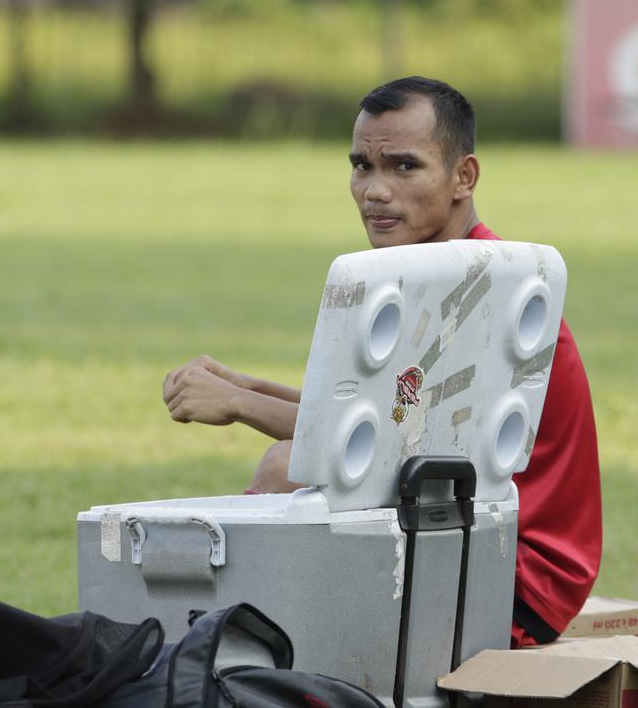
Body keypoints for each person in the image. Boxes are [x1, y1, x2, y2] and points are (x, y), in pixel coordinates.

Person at [160, 77, 601, 648]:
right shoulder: (439, 273)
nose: (375, 190)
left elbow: (391, 442)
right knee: (297, 473)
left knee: (285, 469)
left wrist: (239, 404)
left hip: (517, 583)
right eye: (362, 166)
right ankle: (229, 654)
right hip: (465, 531)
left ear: (463, 177)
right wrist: (247, 384)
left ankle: (223, 655)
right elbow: (391, 413)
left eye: (403, 167)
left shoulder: (484, 291)